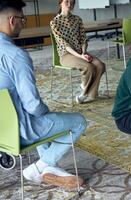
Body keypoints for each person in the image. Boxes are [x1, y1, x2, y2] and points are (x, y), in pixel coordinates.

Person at [0, 0, 86, 189]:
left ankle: (50, 167)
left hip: (2, 129)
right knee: (78, 121)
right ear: (12, 20)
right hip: (18, 131)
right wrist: (48, 113)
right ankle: (41, 167)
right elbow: (33, 105)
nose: (24, 23)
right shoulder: (15, 56)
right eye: (23, 19)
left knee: (34, 114)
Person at [50, 0, 106, 104]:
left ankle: (85, 91)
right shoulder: (54, 22)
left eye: (72, 2)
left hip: (81, 52)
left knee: (100, 65)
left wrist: (84, 53)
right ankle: (87, 93)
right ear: (60, 3)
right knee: (89, 67)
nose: (69, 4)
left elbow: (83, 39)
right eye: (67, 1)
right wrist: (80, 56)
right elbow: (65, 45)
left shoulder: (77, 19)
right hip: (66, 55)